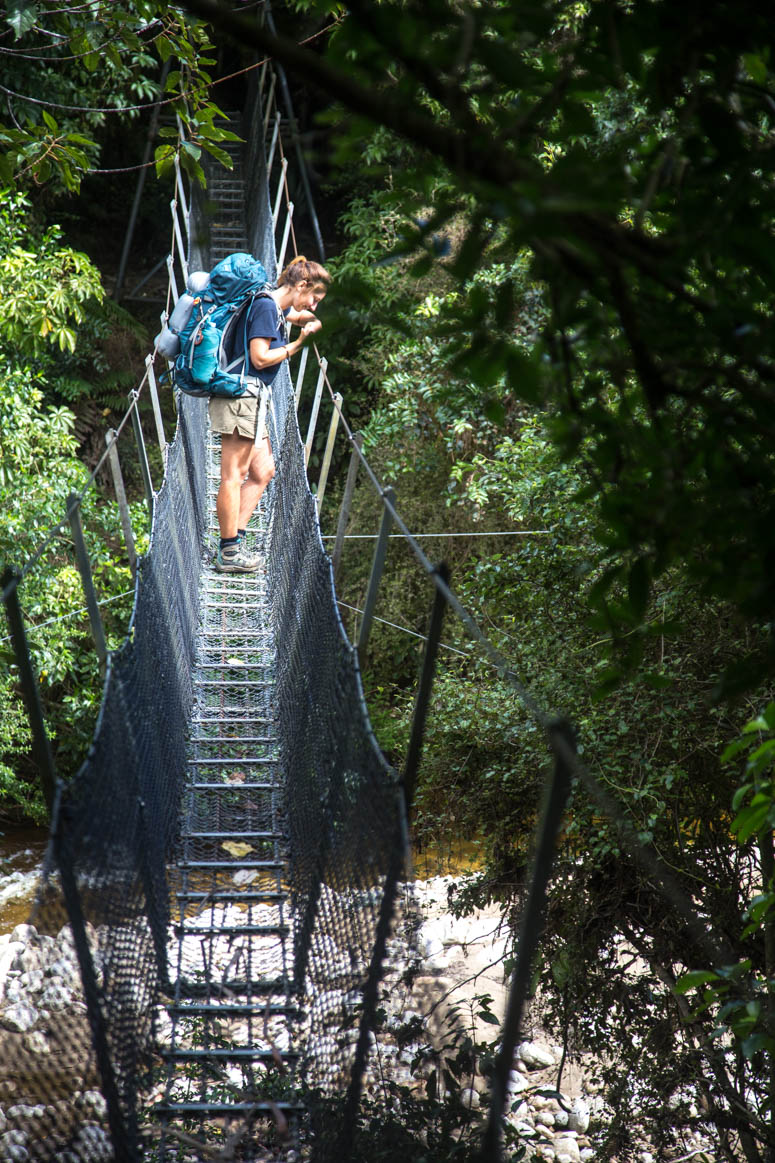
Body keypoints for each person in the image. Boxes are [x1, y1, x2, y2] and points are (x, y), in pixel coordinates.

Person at [209, 255, 330, 572]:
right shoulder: (265, 306)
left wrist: (305, 320)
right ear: (301, 285)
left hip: (252, 399)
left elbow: (290, 314)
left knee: (263, 471)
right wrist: (298, 345)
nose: (314, 305)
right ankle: (229, 553)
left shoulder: (271, 303)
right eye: (314, 298)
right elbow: (260, 358)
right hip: (241, 397)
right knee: (233, 476)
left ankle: (235, 540)